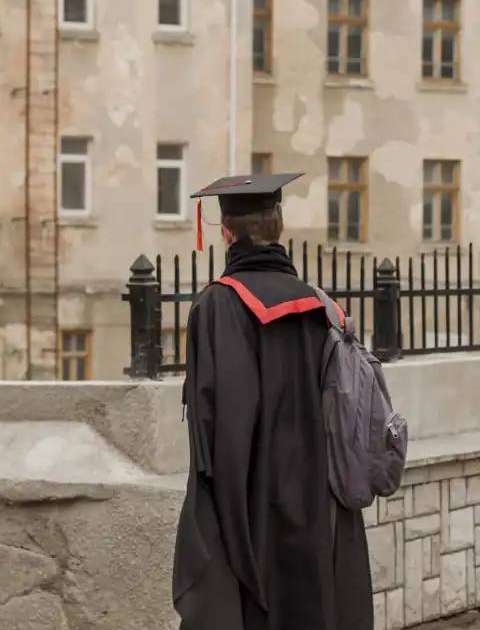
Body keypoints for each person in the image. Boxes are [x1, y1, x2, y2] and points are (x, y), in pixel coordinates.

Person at [172, 173, 373, 629]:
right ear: (279, 225)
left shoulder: (219, 306)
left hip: (255, 503)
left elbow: (220, 428)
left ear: (225, 233)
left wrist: (221, 531)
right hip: (321, 501)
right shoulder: (322, 307)